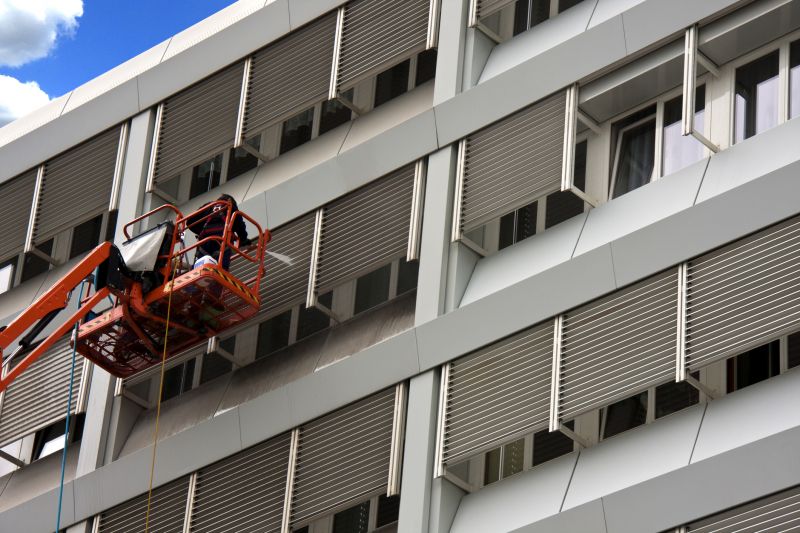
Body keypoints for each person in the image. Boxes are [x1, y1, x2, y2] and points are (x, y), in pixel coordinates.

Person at [186, 194, 251, 271]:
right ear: (230, 201)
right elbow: (240, 225)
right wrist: (244, 240)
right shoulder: (231, 206)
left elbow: (190, 222)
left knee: (198, 269)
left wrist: (202, 231)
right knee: (221, 270)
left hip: (204, 242)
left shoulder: (208, 205)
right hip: (222, 242)